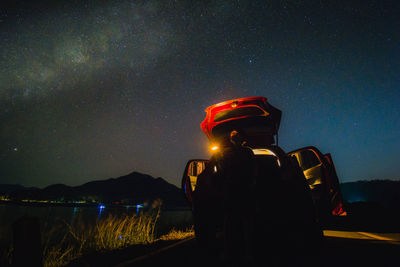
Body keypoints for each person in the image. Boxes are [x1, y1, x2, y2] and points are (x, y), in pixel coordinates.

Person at [217, 129, 255, 265]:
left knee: (244, 222)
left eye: (236, 134)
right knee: (230, 222)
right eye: (232, 134)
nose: (234, 135)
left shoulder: (248, 152)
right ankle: (229, 251)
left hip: (243, 190)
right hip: (231, 190)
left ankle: (246, 252)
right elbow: (221, 171)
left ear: (241, 138)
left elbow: (253, 171)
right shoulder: (225, 152)